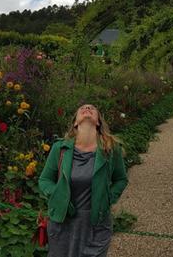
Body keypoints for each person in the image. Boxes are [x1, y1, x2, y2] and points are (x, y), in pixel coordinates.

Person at [38, 104, 128, 257]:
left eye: (92, 109)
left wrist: (108, 198)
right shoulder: (60, 149)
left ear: (98, 122)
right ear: (75, 122)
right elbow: (45, 180)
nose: (87, 108)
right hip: (62, 221)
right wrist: (58, 196)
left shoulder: (111, 150)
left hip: (96, 224)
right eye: (82, 108)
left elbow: (120, 179)